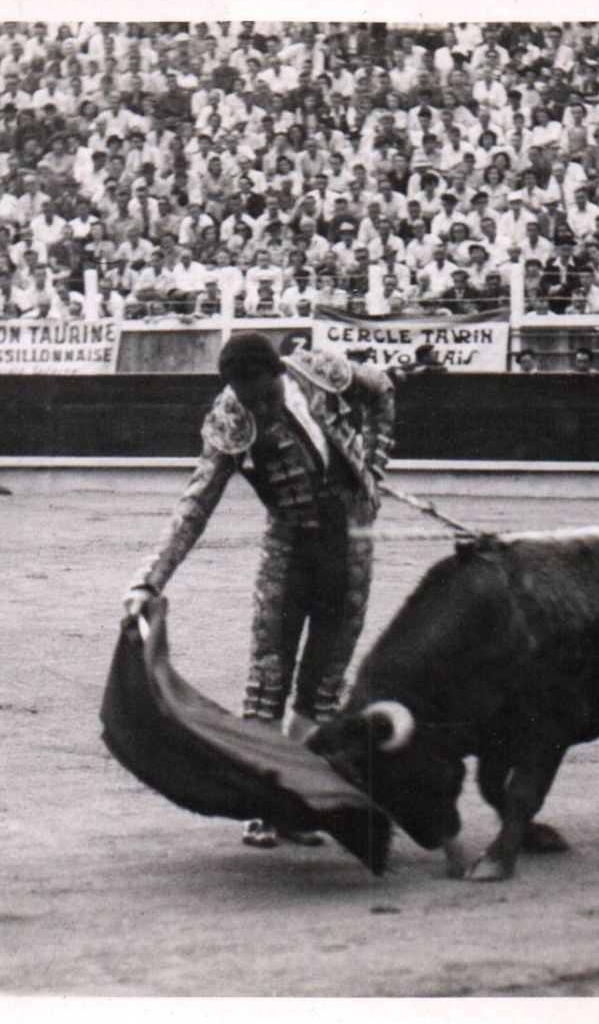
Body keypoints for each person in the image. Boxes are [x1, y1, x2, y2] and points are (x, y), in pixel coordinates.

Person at [122, 332, 396, 849]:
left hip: (350, 542)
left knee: (324, 680)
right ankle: (260, 804)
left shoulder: (319, 372)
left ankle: (293, 801)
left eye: (268, 396)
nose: (262, 410)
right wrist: (148, 579)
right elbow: (195, 506)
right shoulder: (230, 420)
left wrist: (375, 470)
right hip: (288, 548)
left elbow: (381, 390)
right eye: (251, 402)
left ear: (281, 374)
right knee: (269, 675)